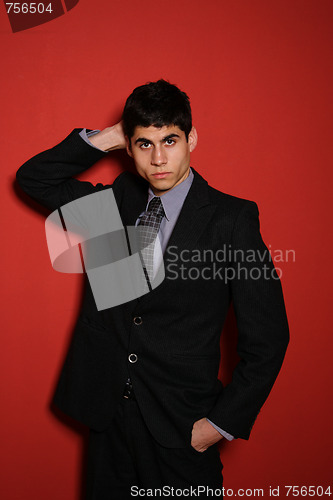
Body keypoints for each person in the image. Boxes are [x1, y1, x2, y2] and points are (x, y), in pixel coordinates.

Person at [16, 79, 289, 499]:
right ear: (129, 146)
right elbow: (34, 180)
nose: (159, 158)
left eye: (170, 140)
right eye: (144, 144)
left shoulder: (232, 219)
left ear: (191, 138)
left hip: (181, 429)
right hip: (108, 420)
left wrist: (218, 425)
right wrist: (108, 136)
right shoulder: (116, 203)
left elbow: (268, 338)